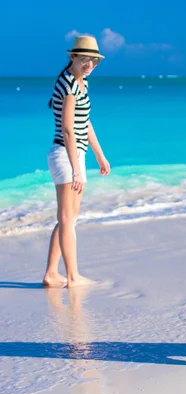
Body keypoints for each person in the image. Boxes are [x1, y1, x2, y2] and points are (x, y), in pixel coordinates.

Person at [43, 35, 111, 288]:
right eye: (85, 60)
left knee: (69, 217)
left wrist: (99, 154)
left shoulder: (81, 84)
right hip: (65, 154)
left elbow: (85, 124)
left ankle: (51, 274)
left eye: (93, 60)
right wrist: (75, 170)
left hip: (74, 154)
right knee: (67, 218)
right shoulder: (70, 85)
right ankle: (72, 276)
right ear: (72, 57)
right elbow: (69, 130)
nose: (90, 64)